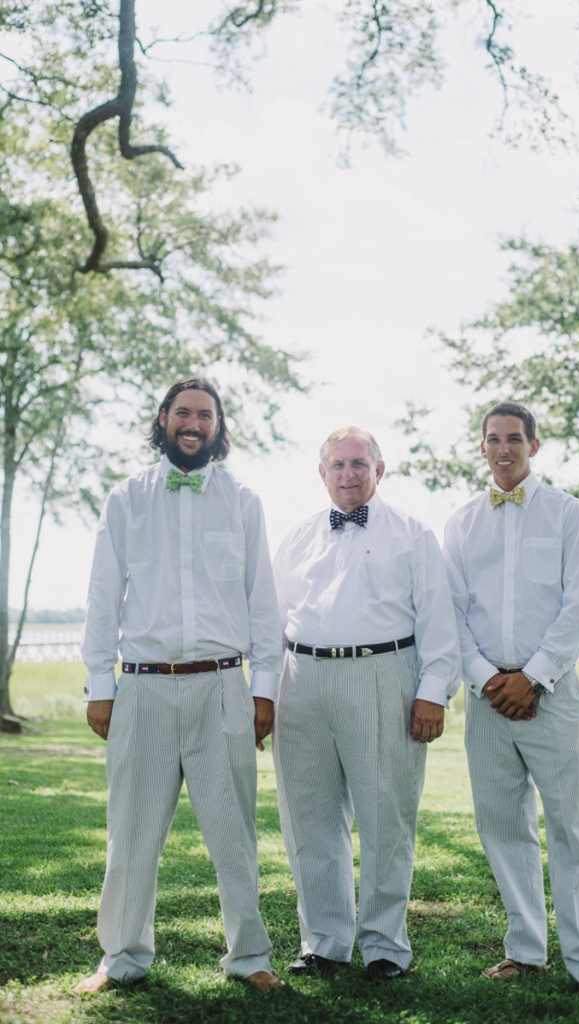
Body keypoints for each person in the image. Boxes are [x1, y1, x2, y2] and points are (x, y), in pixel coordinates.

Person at [76, 377, 283, 994]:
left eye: (207, 415)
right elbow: (101, 595)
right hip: (141, 687)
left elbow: (263, 601)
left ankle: (251, 958)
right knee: (131, 831)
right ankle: (121, 957)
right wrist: (98, 683)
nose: (194, 423)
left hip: (222, 686)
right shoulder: (126, 499)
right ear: (163, 418)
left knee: (234, 833)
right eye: (184, 412)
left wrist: (264, 687)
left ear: (219, 427)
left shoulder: (243, 501)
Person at [442, 401, 579, 998]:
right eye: (492, 439)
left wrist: (533, 677)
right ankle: (525, 949)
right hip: (487, 700)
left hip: (554, 695)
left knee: (574, 828)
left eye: (514, 438)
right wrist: (487, 678)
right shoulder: (461, 523)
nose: (503, 448)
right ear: (483, 447)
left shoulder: (569, 515)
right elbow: (454, 614)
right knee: (502, 826)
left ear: (534, 446)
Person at [272, 427, 461, 980]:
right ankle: (324, 942)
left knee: (387, 819)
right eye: (338, 463)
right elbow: (268, 621)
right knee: (309, 820)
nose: (348, 473)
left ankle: (384, 947)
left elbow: (438, 622)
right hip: (302, 680)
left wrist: (432, 694)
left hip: (384, 675)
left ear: (380, 471)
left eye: (359, 463)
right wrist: (262, 693)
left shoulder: (413, 535)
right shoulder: (298, 537)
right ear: (322, 471)